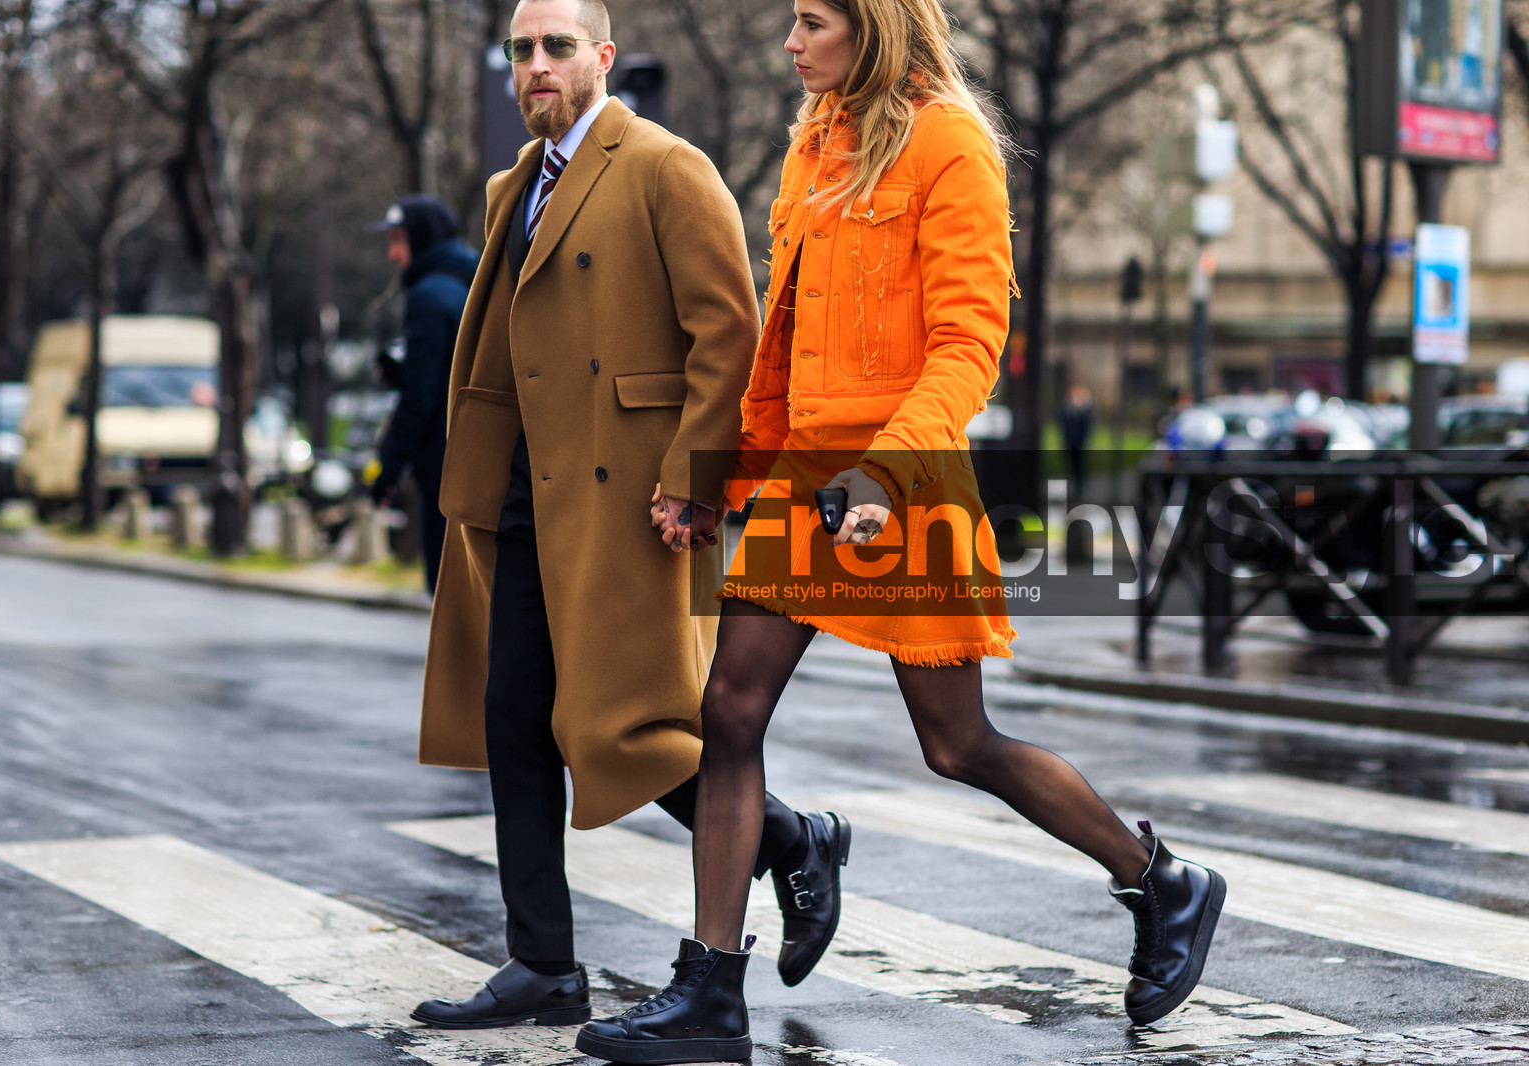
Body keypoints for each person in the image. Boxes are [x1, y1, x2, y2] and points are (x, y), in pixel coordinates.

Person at [576, 1, 1226, 1062]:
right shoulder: (810, 147)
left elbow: (969, 339)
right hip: (804, 483)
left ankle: (1162, 881)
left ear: (871, 28)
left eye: (811, 21)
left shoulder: (950, 145)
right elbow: (778, 344)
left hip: (899, 480)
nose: (790, 44)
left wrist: (885, 467)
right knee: (727, 711)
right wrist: (720, 481)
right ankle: (710, 987)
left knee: (956, 743)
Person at [409, 0, 849, 1032]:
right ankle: (542, 963)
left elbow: (726, 332)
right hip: (525, 493)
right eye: (521, 50)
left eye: (558, 47)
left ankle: (790, 839)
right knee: (514, 719)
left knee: (630, 730)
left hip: (636, 503)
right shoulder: (508, 187)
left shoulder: (663, 164)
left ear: (601, 58)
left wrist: (695, 479)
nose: (537, 66)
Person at [367, 195, 480, 592]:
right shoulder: (472, 280)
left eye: (399, 240)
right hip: (481, 461)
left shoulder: (428, 297)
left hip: (445, 467)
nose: (393, 253)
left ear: (422, 238)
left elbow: (421, 396)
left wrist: (389, 469)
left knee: (447, 595)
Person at [1060, 383, 1095, 494]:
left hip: (1080, 443)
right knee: (1071, 465)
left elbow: (1087, 426)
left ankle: (1080, 487)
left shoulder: (1085, 410)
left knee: (1080, 466)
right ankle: (1073, 486)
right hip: (1070, 441)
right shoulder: (1067, 409)